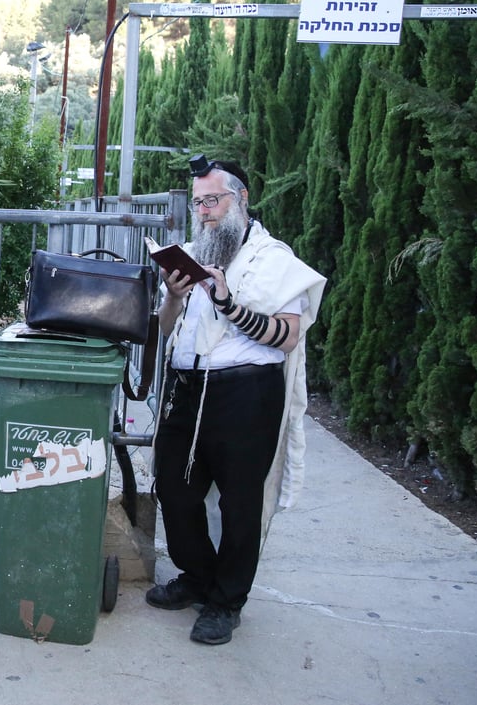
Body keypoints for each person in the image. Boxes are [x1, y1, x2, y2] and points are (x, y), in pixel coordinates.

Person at [145, 156, 325, 645]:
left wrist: (227, 303)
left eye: (213, 201)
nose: (204, 211)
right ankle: (198, 577)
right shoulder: (191, 253)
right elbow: (163, 332)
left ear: (241, 201)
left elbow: (286, 337)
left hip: (246, 396)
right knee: (174, 488)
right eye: (199, 202)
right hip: (188, 391)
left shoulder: (276, 262)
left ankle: (226, 602)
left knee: (241, 504)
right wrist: (174, 297)